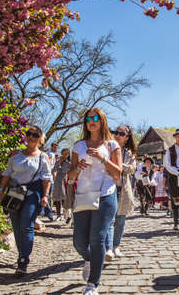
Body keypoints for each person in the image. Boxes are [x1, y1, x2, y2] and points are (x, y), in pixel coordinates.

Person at [67, 108, 122, 295]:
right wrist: (78, 167)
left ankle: (93, 285)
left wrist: (102, 158)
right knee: (79, 242)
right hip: (84, 195)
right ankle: (89, 259)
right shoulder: (78, 145)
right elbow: (70, 175)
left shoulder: (112, 145)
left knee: (97, 237)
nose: (92, 121)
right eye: (88, 118)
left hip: (105, 194)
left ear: (102, 121)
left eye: (96, 118)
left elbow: (117, 174)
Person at [0, 126, 52, 277]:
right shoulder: (15, 155)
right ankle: (21, 253)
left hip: (32, 195)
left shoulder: (43, 157)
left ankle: (23, 260)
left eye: (35, 135)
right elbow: (7, 174)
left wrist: (45, 196)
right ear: (25, 136)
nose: (32, 137)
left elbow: (47, 179)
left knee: (27, 226)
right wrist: (0, 191)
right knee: (16, 226)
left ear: (40, 138)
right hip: (14, 194)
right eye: (29, 134)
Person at [105, 125, 137, 260]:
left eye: (121, 134)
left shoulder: (129, 153)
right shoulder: (107, 148)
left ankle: (115, 246)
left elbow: (132, 169)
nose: (117, 135)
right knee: (108, 220)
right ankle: (107, 248)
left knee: (120, 220)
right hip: (108, 187)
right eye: (116, 132)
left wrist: (118, 165)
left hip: (123, 189)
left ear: (127, 137)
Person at [52, 148, 71, 221]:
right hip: (57, 181)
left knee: (64, 198)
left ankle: (67, 215)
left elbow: (70, 172)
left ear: (68, 154)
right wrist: (59, 162)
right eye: (63, 153)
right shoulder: (58, 161)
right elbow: (53, 170)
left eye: (66, 154)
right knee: (56, 198)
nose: (64, 155)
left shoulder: (69, 163)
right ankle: (58, 215)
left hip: (64, 180)